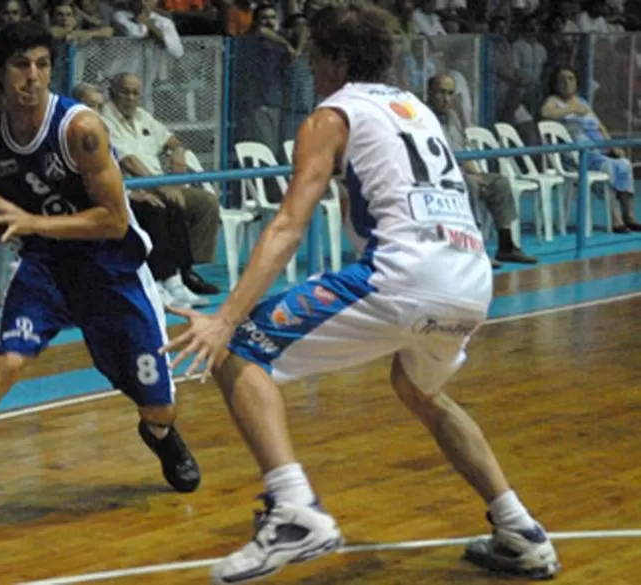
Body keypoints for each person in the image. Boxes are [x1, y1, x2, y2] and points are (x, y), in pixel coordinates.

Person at [161, 3, 561, 583]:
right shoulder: (414, 108)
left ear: (338, 59)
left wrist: (225, 316)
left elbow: (288, 225)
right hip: (471, 277)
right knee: (419, 390)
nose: (309, 67)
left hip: (405, 274)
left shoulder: (331, 116)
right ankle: (520, 529)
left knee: (236, 349)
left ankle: (294, 509)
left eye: (314, 55)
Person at [0, 21, 200, 533]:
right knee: (6, 362)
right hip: (45, 270)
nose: (32, 76)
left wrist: (34, 223)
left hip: (111, 271)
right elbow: (2, 214)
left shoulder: (81, 130)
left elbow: (114, 220)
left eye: (42, 64)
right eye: (20, 65)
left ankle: (161, 436)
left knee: (159, 409)